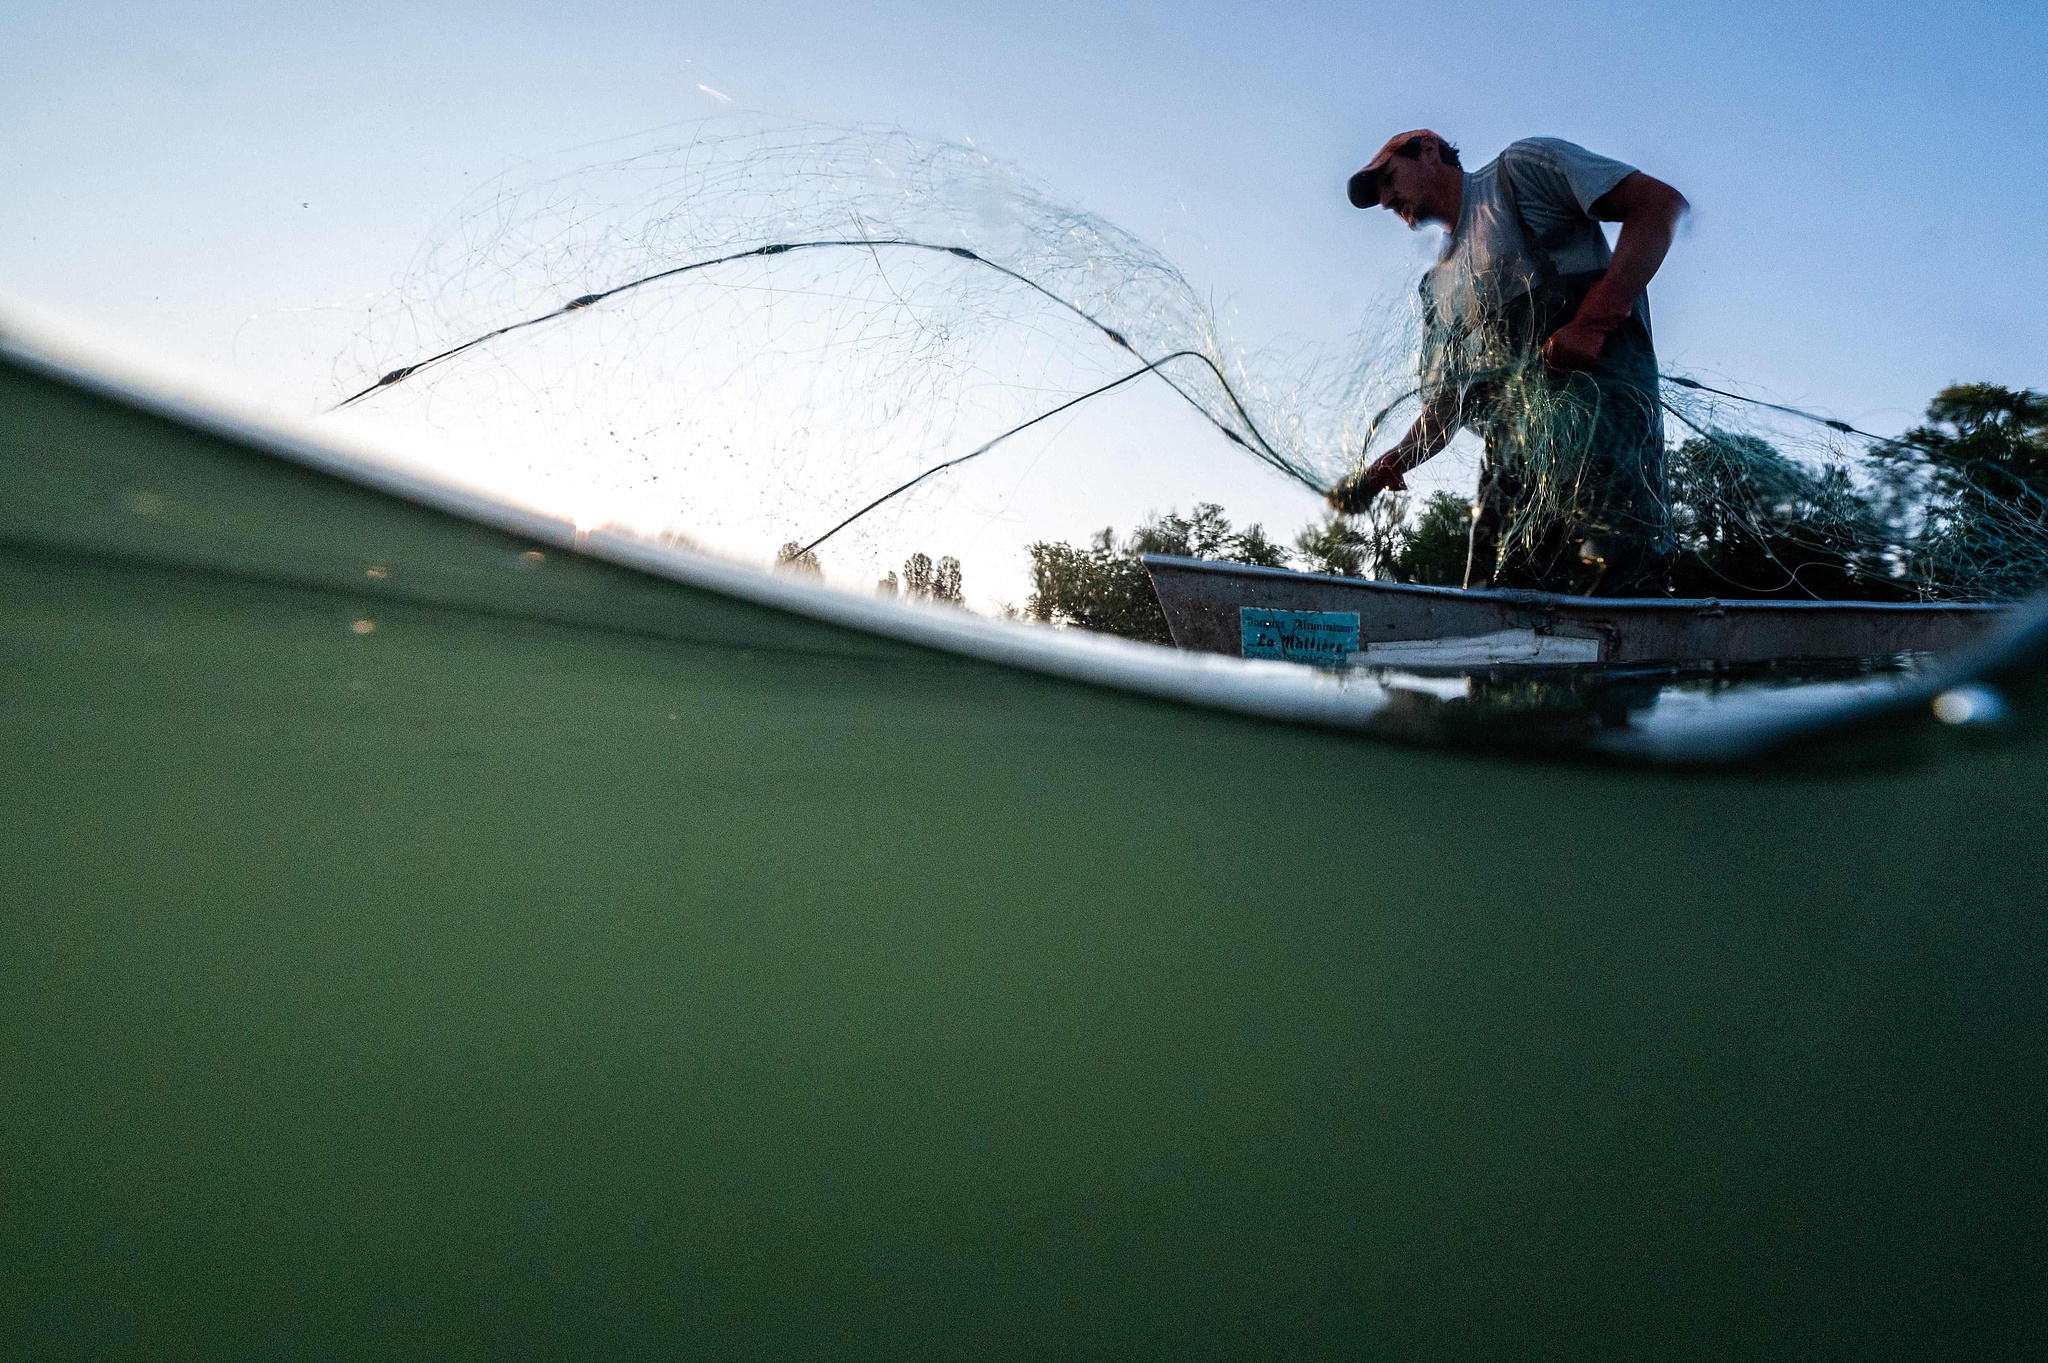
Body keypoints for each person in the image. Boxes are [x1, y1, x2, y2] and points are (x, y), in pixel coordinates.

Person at [1330, 131, 1689, 596]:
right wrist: (1391, 465)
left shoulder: (1518, 173)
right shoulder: (1435, 287)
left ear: (1429, 150)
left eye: (1387, 178)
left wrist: (1593, 322)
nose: (1384, 201)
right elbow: (1445, 407)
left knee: (1618, 593)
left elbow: (1658, 205)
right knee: (1491, 604)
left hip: (1606, 440)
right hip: (1513, 464)